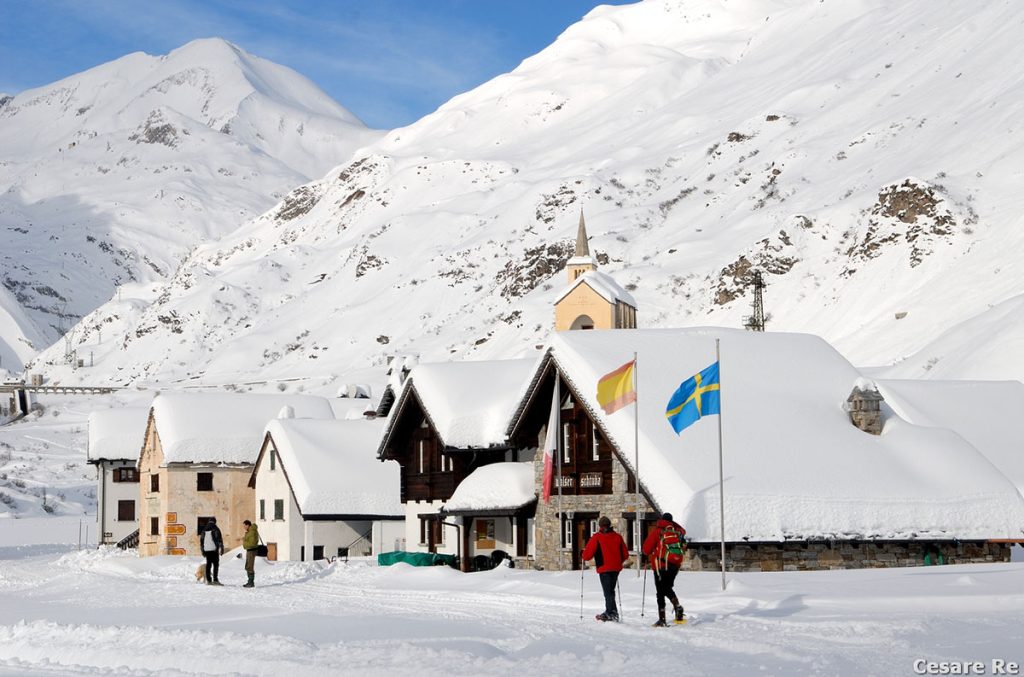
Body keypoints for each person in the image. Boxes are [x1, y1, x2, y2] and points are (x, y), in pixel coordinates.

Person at [581, 516, 630, 622]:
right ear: (609, 525)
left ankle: (609, 613)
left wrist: (583, 555)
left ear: (600, 526)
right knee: (610, 591)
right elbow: (625, 554)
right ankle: (613, 612)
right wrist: (618, 561)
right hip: (616, 568)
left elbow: (587, 555)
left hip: (604, 568)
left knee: (608, 592)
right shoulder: (617, 537)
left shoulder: (597, 537)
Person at [642, 512, 687, 627]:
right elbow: (683, 545)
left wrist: (647, 553)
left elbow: (646, 549)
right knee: (667, 587)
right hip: (675, 564)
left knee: (660, 592)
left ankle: (662, 619)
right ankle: (677, 607)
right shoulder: (677, 531)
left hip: (660, 566)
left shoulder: (658, 531)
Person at [198, 517, 224, 585]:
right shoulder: (216, 528)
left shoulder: (204, 529)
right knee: (215, 565)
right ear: (215, 521)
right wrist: (221, 549)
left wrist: (203, 551)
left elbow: (201, 541)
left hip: (207, 550)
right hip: (214, 550)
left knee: (208, 565)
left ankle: (209, 580)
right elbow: (219, 539)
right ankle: (215, 580)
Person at [242, 519, 260, 588]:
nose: (244, 527)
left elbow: (252, 543)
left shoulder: (252, 532)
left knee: (249, 566)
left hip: (251, 550)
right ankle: (249, 581)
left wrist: (244, 542)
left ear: (248, 525)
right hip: (249, 550)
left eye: (244, 526)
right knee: (248, 566)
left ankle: (251, 582)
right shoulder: (250, 531)